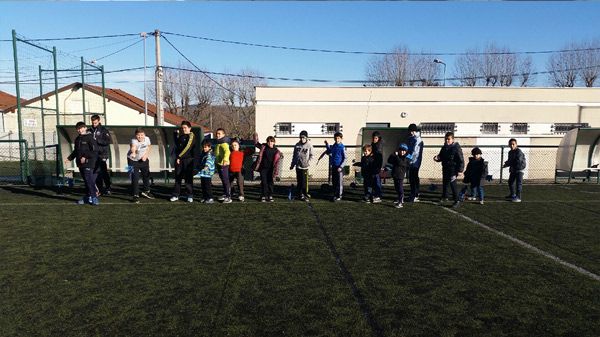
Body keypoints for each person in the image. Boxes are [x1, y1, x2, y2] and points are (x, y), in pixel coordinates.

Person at [65, 121, 99, 205]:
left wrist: (85, 156)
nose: (79, 130)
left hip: (89, 162)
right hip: (80, 163)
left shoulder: (90, 137)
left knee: (88, 179)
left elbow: (95, 151)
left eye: (81, 128)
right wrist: (69, 158)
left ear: (85, 128)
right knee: (86, 181)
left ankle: (94, 197)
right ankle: (87, 197)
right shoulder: (77, 139)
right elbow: (76, 151)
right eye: (78, 129)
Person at [433, 132, 464, 208]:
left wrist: (460, 170)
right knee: (445, 183)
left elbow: (461, 160)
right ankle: (445, 197)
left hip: (453, 169)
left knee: (453, 184)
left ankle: (457, 200)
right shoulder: (444, 147)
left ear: (452, 139)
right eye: (446, 139)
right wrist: (437, 158)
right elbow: (441, 156)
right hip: (446, 168)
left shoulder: (456, 148)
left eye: (448, 139)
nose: (447, 140)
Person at [170, 121, 197, 202]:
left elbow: (188, 147)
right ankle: (176, 195)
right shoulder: (181, 136)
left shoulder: (191, 135)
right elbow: (177, 145)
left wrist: (179, 156)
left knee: (188, 178)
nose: (183, 129)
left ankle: (189, 195)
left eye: (185, 128)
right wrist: (175, 135)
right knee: (178, 178)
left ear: (189, 128)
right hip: (179, 160)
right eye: (182, 128)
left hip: (188, 160)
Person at [127, 128, 153, 203]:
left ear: (144, 135)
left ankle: (146, 191)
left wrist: (146, 155)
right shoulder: (133, 140)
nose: (140, 137)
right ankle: (135, 195)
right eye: (138, 135)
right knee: (134, 177)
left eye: (142, 135)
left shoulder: (147, 139)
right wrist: (134, 152)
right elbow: (133, 147)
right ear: (135, 135)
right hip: (131, 160)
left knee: (146, 175)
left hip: (143, 160)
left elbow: (149, 147)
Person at [253, 134, 282, 202]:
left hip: (271, 169)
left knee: (270, 182)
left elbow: (278, 159)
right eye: (268, 141)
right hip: (263, 168)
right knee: (264, 182)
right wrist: (255, 138)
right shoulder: (264, 147)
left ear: (274, 142)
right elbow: (256, 144)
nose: (270, 143)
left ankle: (270, 195)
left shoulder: (276, 150)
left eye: (271, 141)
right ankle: (263, 196)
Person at [89, 114, 112, 195]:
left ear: (99, 121)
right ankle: (99, 188)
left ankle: (108, 187)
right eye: (93, 122)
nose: (94, 124)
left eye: (95, 122)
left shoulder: (103, 130)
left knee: (103, 171)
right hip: (93, 154)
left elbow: (108, 141)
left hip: (102, 154)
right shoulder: (90, 130)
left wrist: (97, 140)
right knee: (96, 171)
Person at [290, 130, 314, 201]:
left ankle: (304, 193)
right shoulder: (297, 145)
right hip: (298, 166)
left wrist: (308, 163)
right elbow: (294, 156)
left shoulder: (309, 145)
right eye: (301, 137)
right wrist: (292, 164)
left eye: (303, 137)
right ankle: (300, 194)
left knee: (304, 182)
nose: (302, 139)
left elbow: (312, 155)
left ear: (306, 138)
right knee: (299, 181)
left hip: (305, 167)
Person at [387, 143, 412, 208]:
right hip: (395, 174)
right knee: (396, 188)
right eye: (401, 150)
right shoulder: (396, 156)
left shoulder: (406, 157)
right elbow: (389, 161)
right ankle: (399, 198)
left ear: (406, 151)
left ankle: (400, 201)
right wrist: (393, 154)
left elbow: (400, 162)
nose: (402, 152)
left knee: (400, 188)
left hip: (400, 175)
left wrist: (396, 156)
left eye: (404, 151)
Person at [503, 138, 526, 202]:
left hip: (519, 169)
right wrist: (506, 164)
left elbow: (518, 161)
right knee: (510, 182)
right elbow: (510, 160)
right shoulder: (510, 152)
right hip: (513, 169)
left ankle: (518, 198)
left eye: (513, 144)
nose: (512, 145)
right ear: (508, 145)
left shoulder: (519, 152)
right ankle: (512, 194)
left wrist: (509, 163)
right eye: (510, 144)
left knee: (519, 184)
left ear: (516, 145)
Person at [324, 132, 346, 201]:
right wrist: (327, 145)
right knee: (334, 182)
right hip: (333, 166)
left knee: (339, 183)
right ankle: (335, 195)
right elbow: (329, 151)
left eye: (338, 138)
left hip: (339, 168)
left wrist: (341, 167)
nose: (337, 139)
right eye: (336, 138)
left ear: (341, 139)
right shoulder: (334, 146)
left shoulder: (342, 147)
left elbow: (345, 158)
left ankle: (339, 195)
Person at [214, 128, 232, 203]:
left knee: (225, 180)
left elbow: (227, 151)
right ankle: (225, 194)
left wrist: (225, 160)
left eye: (219, 134)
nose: (217, 135)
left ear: (223, 135)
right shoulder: (219, 143)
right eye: (217, 134)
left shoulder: (224, 143)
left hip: (224, 164)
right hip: (219, 164)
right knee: (223, 180)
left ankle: (228, 197)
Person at [407, 123, 424, 202]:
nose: (411, 132)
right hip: (411, 161)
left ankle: (414, 195)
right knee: (413, 178)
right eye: (410, 131)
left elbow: (415, 153)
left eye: (412, 131)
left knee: (413, 178)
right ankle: (415, 193)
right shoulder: (411, 138)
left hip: (415, 162)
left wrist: (409, 159)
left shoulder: (418, 139)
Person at [198, 139, 216, 204]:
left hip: (207, 173)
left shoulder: (210, 154)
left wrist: (206, 166)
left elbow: (209, 161)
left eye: (205, 147)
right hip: (203, 173)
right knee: (203, 186)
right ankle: (205, 197)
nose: (204, 148)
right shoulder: (203, 153)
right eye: (203, 147)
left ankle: (210, 198)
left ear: (209, 147)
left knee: (207, 186)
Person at [371, 131, 385, 199]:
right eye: (373, 138)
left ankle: (378, 195)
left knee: (377, 180)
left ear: (378, 138)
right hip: (374, 165)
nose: (374, 139)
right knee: (374, 180)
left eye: (376, 138)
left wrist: (378, 167)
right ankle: (375, 194)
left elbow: (379, 158)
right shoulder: (374, 145)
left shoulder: (378, 146)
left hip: (377, 166)